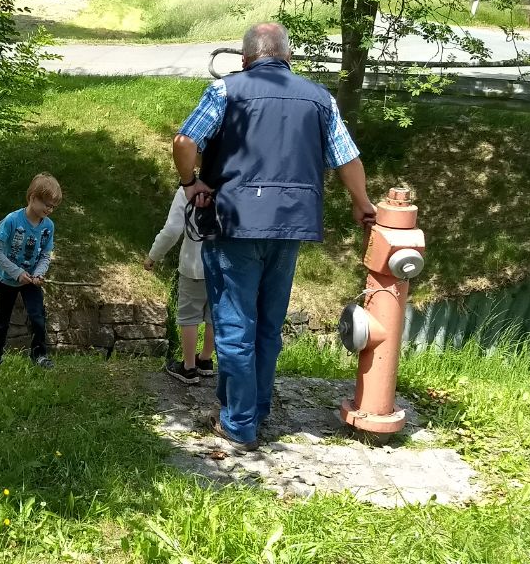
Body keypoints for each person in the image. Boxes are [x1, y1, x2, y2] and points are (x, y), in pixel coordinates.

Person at [173, 22, 376, 450]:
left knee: (233, 325)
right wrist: (361, 202)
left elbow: (185, 141)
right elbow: (347, 157)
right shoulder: (320, 98)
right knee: (267, 325)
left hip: (235, 223)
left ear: (245, 59)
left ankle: (240, 424)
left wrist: (191, 183)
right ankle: (253, 408)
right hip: (291, 227)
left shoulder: (226, 91)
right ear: (287, 57)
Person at [0, 173, 62, 370]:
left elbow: (45, 255)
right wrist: (17, 272)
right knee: (1, 318)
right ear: (32, 197)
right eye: (46, 204)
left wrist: (39, 273)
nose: (50, 210)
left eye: (53, 206)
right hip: (5, 278)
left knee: (38, 317)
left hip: (32, 281)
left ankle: (39, 355)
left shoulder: (48, 226)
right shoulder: (12, 220)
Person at [145, 185, 216, 385]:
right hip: (222, 266)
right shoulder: (231, 186)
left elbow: (172, 230)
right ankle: (206, 359)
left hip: (193, 265)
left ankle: (188, 367)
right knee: (214, 314)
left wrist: (154, 255)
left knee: (189, 317)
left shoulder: (188, 190)